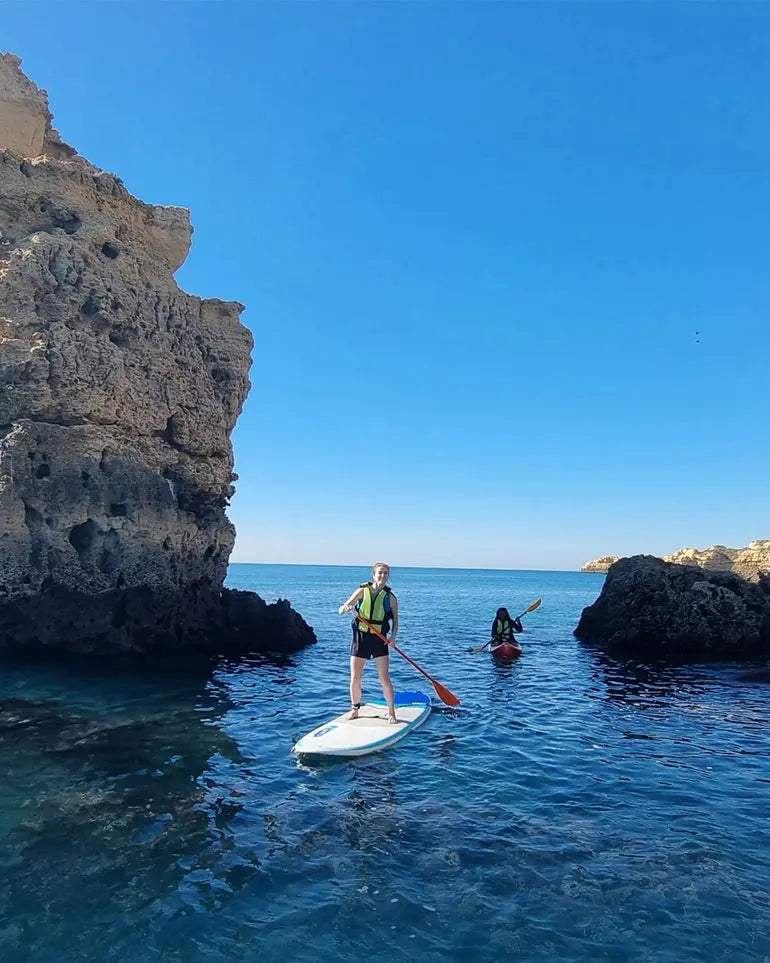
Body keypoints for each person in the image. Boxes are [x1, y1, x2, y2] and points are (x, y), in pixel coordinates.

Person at [338, 561, 399, 724]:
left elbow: (396, 622)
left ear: (388, 576)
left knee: (384, 678)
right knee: (356, 677)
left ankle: (391, 712)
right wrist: (345, 608)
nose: (382, 575)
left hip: (380, 639)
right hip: (361, 638)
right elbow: (344, 606)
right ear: (374, 575)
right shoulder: (362, 591)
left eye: (386, 573)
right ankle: (355, 709)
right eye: (380, 572)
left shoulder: (391, 598)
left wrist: (392, 639)